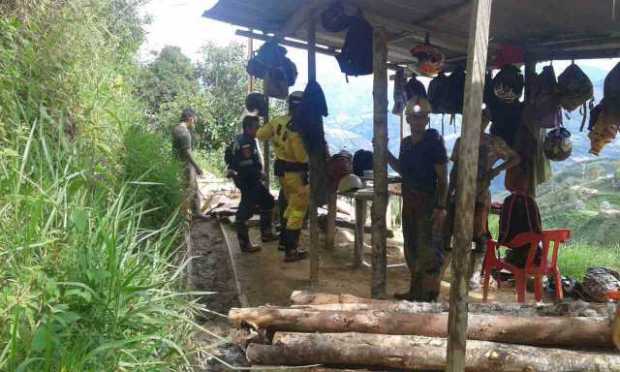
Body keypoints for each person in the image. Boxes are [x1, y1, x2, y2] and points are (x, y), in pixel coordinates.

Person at [447, 109, 521, 289]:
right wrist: (449, 192)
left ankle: (474, 274)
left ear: (487, 122)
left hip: (480, 194)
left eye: (484, 120)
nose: (480, 123)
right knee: (452, 232)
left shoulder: (493, 143)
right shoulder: (461, 141)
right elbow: (455, 168)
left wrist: (495, 171)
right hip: (461, 192)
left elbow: (515, 158)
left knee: (479, 234)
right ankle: (456, 269)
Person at [388, 97, 449, 302]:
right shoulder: (406, 144)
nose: (417, 121)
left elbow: (442, 178)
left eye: (421, 117)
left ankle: (430, 297)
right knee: (411, 248)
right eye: (414, 117)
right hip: (410, 203)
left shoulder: (434, 143)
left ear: (427, 119)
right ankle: (415, 292)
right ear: (408, 119)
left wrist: (441, 206)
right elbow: (403, 170)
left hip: (428, 203)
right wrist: (385, 154)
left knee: (429, 251)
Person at [256, 91, 308, 262]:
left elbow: (260, 135)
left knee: (290, 206)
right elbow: (301, 157)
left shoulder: (278, 121)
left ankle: (284, 243)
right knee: (298, 210)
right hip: (297, 173)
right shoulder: (298, 128)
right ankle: (291, 250)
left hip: (282, 172)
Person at [225, 116, 278, 252]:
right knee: (244, 212)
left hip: (249, 179)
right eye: (256, 127)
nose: (258, 130)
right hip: (248, 181)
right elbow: (246, 166)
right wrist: (259, 174)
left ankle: (266, 234)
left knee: (268, 202)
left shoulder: (242, 139)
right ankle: (245, 244)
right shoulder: (246, 143)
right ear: (248, 128)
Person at [172, 108, 204, 218]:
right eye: (194, 120)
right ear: (190, 118)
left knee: (193, 188)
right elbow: (187, 153)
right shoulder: (184, 132)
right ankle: (184, 215)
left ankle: (196, 212)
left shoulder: (176, 128)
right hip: (185, 164)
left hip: (178, 163)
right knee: (189, 190)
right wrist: (197, 167)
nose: (194, 122)